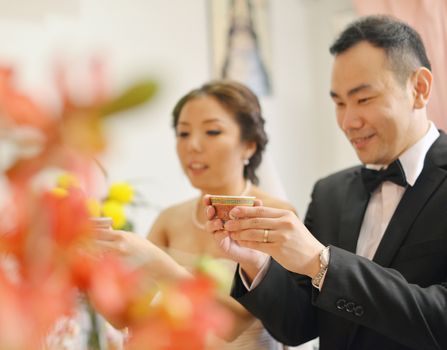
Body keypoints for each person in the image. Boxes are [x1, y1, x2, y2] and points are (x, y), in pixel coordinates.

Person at [205, 15, 447, 350]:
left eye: (363, 99)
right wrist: (254, 261)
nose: (348, 121)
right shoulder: (329, 193)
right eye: (338, 102)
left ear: (419, 88)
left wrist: (323, 264)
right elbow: (298, 326)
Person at [95, 80, 295, 349]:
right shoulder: (170, 219)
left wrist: (157, 262)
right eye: (183, 133)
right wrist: (92, 269)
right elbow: (125, 316)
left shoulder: (275, 215)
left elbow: (231, 325)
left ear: (249, 145)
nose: (194, 146)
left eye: (212, 132)